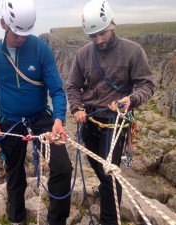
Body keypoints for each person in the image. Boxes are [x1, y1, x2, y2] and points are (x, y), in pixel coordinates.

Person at [0, 0, 72, 224]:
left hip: (41, 117)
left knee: (63, 168)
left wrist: (59, 119)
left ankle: (56, 221)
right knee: (15, 174)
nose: (21, 38)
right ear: (3, 24)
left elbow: (57, 90)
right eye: (17, 34)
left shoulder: (40, 48)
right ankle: (17, 220)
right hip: (9, 121)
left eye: (25, 34)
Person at [66, 0, 155, 224]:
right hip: (89, 119)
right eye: (93, 36)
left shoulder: (133, 51)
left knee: (108, 173)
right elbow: (73, 86)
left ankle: (109, 219)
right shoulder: (84, 54)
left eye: (102, 34)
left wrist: (131, 99)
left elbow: (147, 85)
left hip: (114, 123)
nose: (98, 40)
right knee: (96, 164)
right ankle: (108, 191)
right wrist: (76, 107)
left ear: (112, 24)